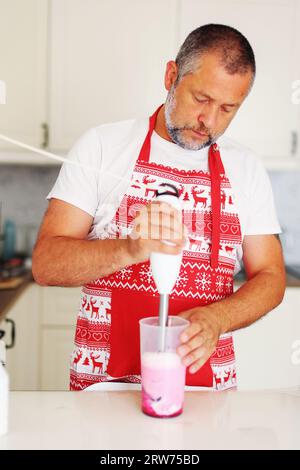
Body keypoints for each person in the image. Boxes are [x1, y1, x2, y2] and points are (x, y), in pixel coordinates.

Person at [32, 24, 285, 391]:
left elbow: (272, 278)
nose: (209, 122)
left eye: (228, 108)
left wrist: (218, 318)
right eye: (201, 99)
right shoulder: (103, 146)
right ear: (171, 76)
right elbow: (46, 264)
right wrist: (129, 248)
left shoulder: (246, 169)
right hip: (103, 392)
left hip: (206, 398)